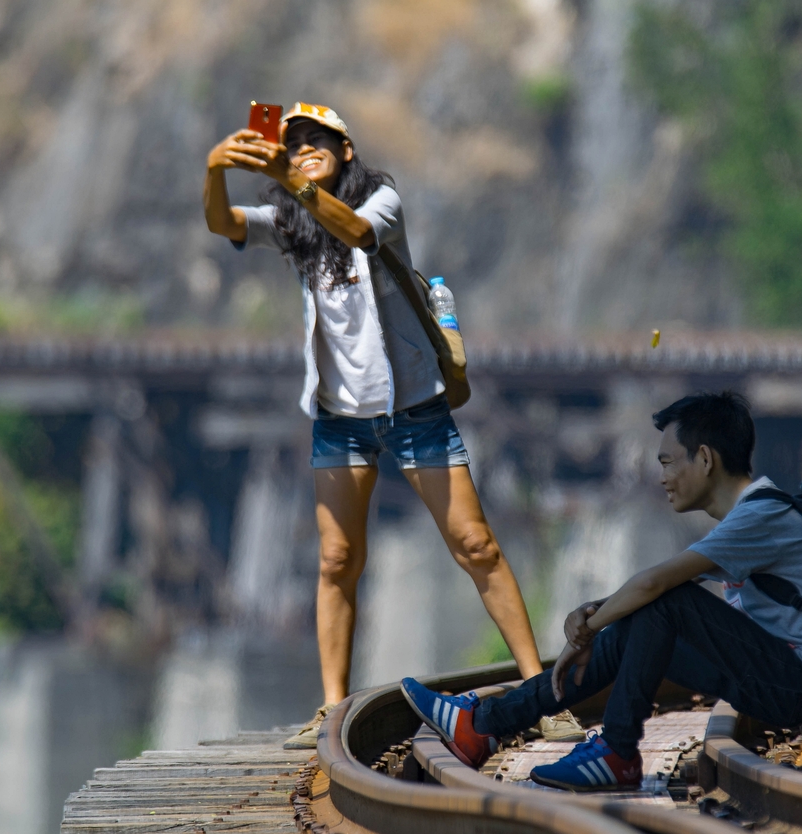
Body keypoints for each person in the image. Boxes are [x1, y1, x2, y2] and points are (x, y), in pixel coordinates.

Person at [203, 103, 584, 748]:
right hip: (339, 418)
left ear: (345, 150)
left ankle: (542, 692)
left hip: (414, 409)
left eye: (317, 140)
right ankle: (331, 707)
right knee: (337, 560)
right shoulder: (293, 222)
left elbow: (352, 230)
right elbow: (224, 222)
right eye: (293, 143)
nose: (304, 148)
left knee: (477, 546)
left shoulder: (380, 200)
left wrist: (292, 180)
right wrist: (216, 168)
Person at [399, 390, 802, 790]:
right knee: (640, 621)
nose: (663, 477)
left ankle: (617, 751)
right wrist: (598, 617)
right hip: (799, 680)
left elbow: (655, 583)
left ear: (706, 460)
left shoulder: (760, 515)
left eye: (669, 462)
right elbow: (650, 592)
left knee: (663, 603)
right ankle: (484, 726)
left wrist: (586, 626)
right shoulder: (755, 513)